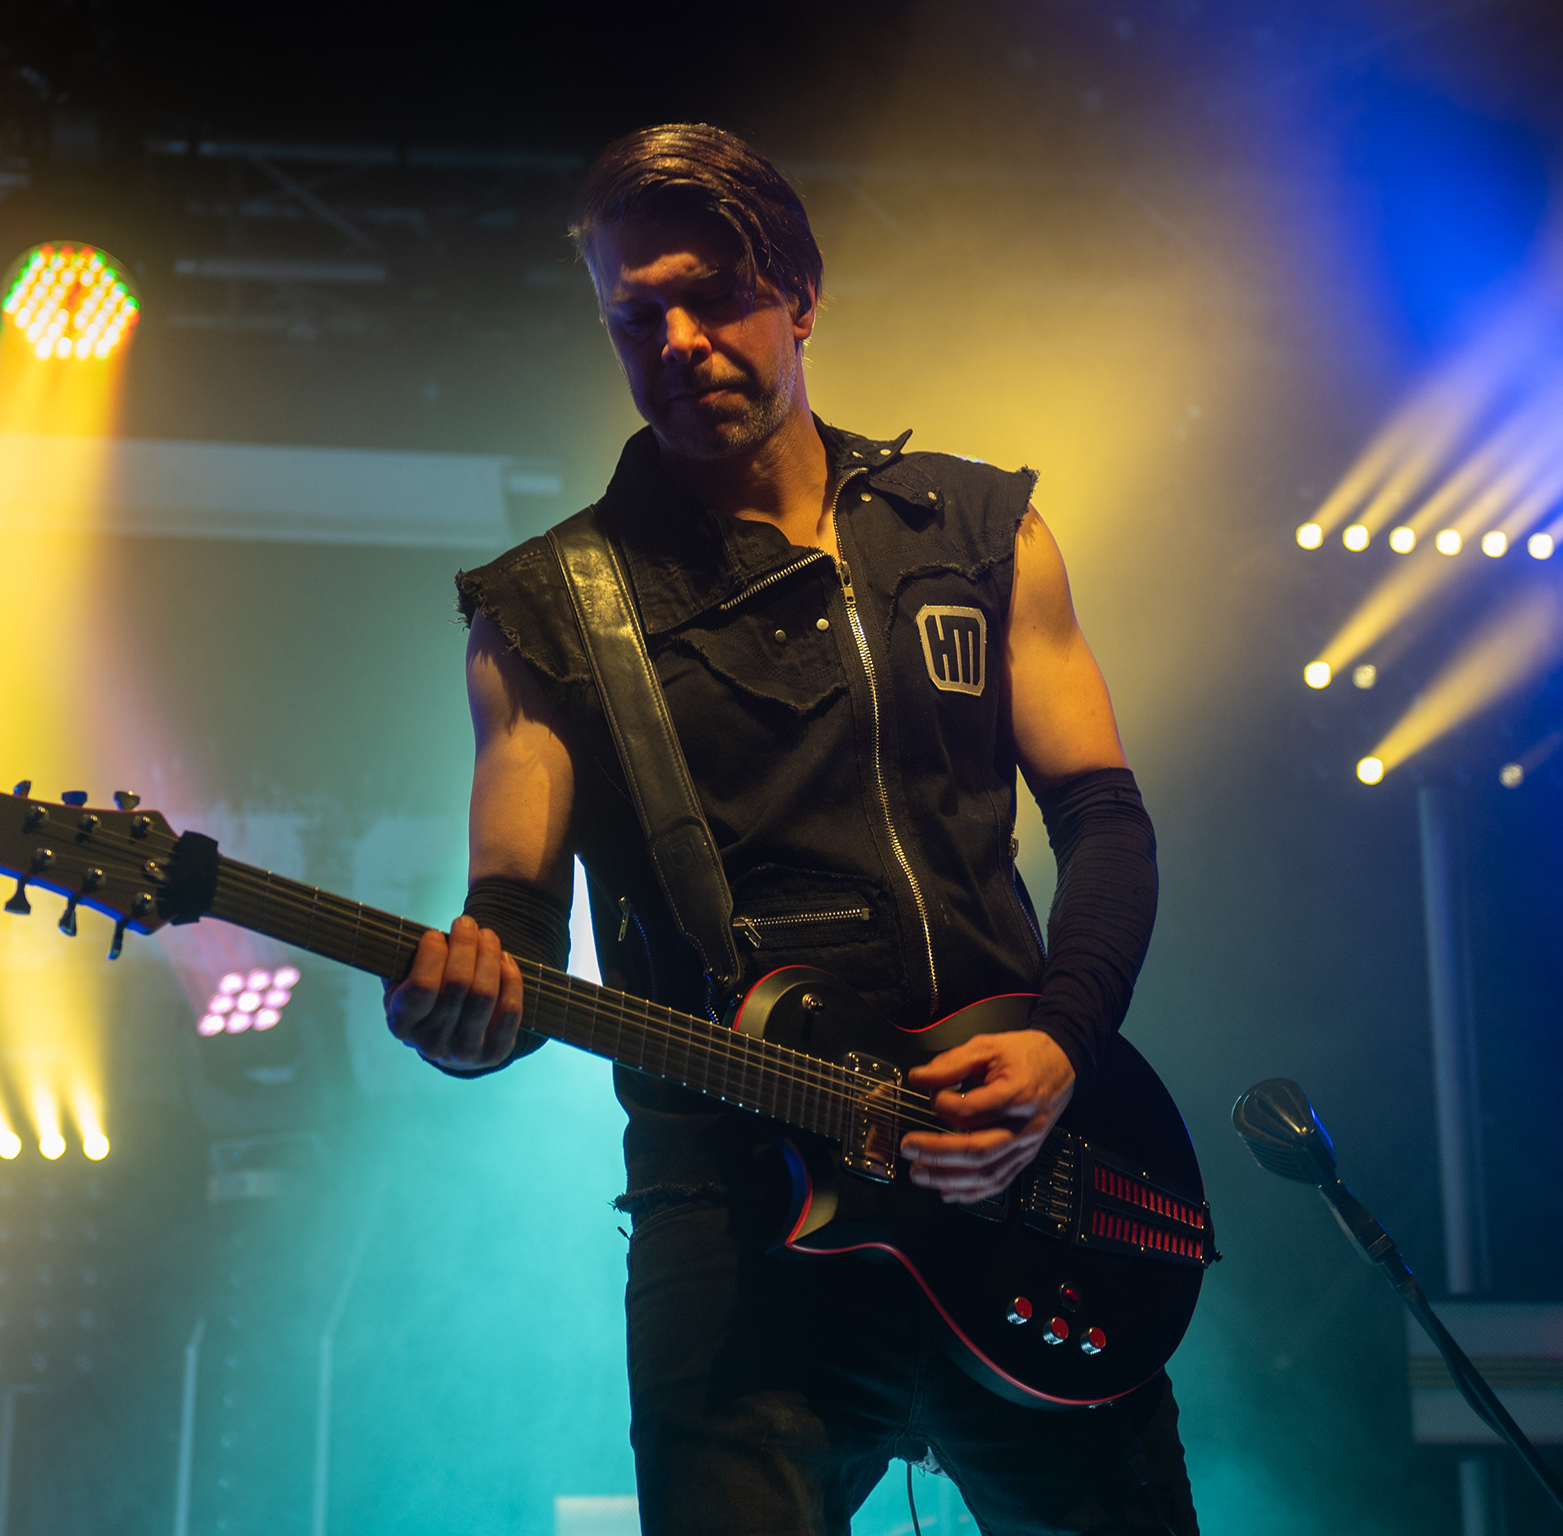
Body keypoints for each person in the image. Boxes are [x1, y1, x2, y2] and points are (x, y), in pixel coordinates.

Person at [384, 123, 1190, 1536]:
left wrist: (1064, 1041)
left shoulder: (980, 532)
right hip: (736, 1222)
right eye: (635, 317)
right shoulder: (545, 610)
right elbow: (511, 926)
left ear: (800, 294)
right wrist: (463, 1015)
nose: (678, 342)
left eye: (713, 298)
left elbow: (1106, 821)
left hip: (1021, 1179)